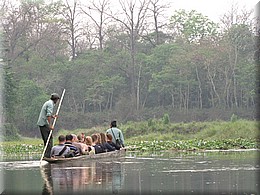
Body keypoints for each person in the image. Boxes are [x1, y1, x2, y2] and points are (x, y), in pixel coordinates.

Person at [37, 93, 60, 158]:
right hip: (44, 124)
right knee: (49, 140)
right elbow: (48, 115)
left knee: (47, 140)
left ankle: (46, 155)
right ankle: (48, 156)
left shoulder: (48, 102)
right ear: (55, 100)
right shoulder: (50, 104)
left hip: (42, 123)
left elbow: (48, 114)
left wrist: (53, 116)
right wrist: (50, 125)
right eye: (57, 100)